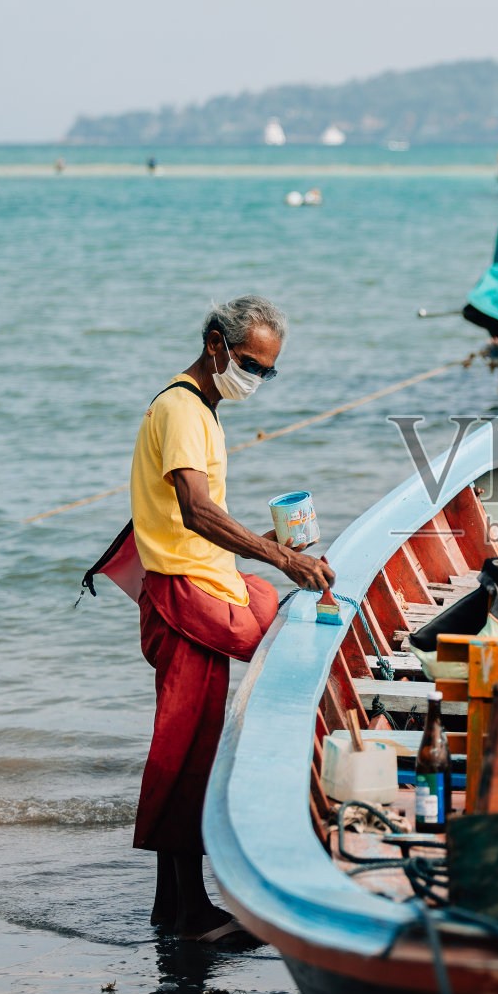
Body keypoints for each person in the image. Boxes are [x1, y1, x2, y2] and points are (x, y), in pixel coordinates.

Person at [128, 294, 332, 943]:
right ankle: (192, 912)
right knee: (186, 749)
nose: (257, 379)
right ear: (216, 342)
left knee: (192, 742)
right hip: (186, 594)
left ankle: (171, 902)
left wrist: (273, 559)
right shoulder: (183, 407)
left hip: (203, 582)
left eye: (268, 371)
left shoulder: (202, 408)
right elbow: (195, 509)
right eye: (251, 363)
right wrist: (276, 556)